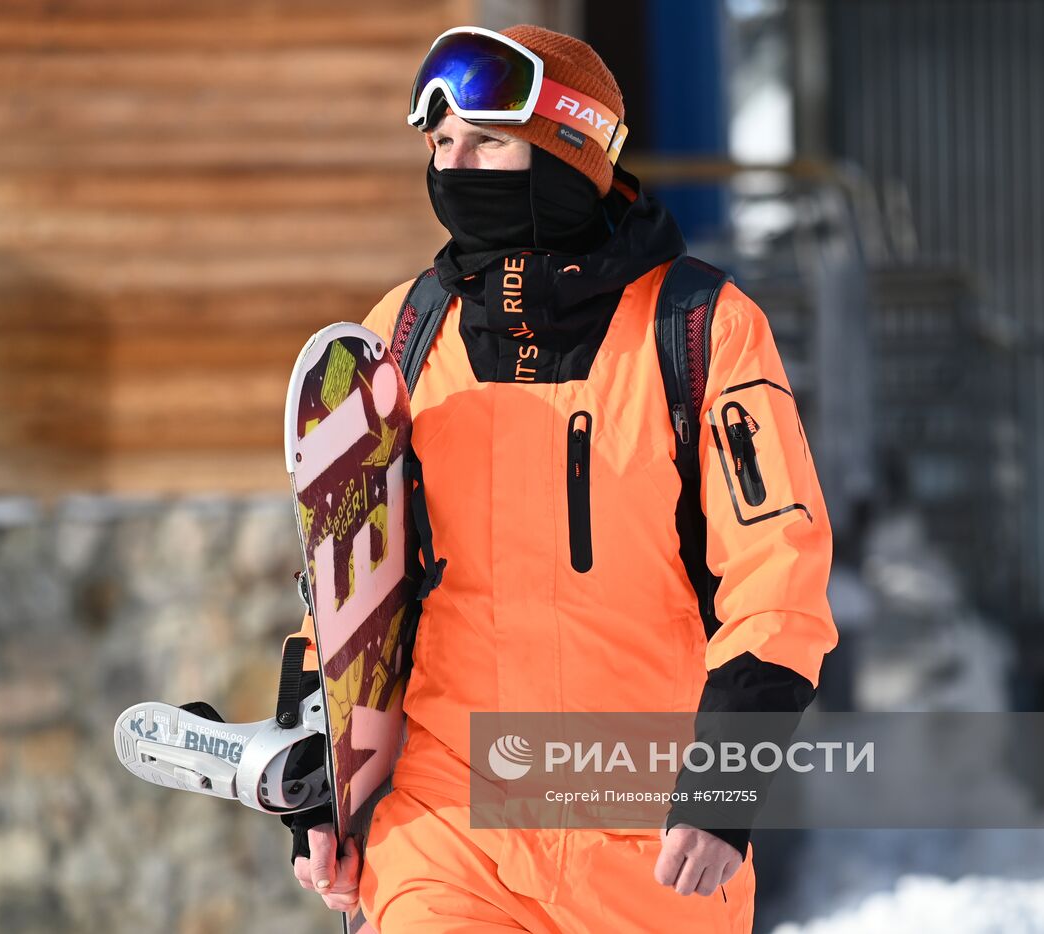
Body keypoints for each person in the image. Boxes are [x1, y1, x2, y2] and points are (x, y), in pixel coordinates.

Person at [282, 24, 838, 932]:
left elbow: (780, 572)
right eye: (440, 145)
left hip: (647, 840)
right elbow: (348, 587)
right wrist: (322, 787)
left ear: (566, 151)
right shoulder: (404, 333)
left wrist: (726, 783)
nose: (454, 167)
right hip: (444, 822)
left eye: (486, 142)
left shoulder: (701, 330)